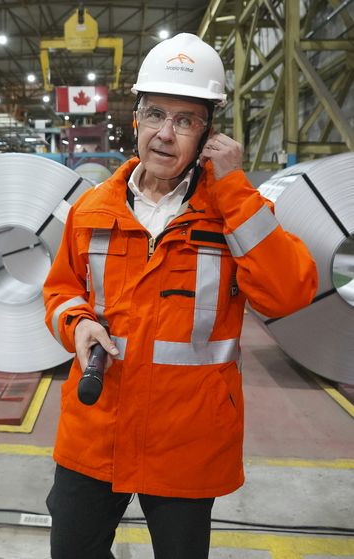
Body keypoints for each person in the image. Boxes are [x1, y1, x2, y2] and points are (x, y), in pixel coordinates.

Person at [42, 33, 317, 559]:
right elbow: (60, 290)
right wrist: (77, 324)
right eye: (154, 115)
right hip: (96, 429)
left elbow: (287, 293)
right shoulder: (92, 210)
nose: (165, 135)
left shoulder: (233, 211)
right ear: (136, 121)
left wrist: (235, 188)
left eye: (185, 120)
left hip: (187, 439)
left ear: (208, 133)